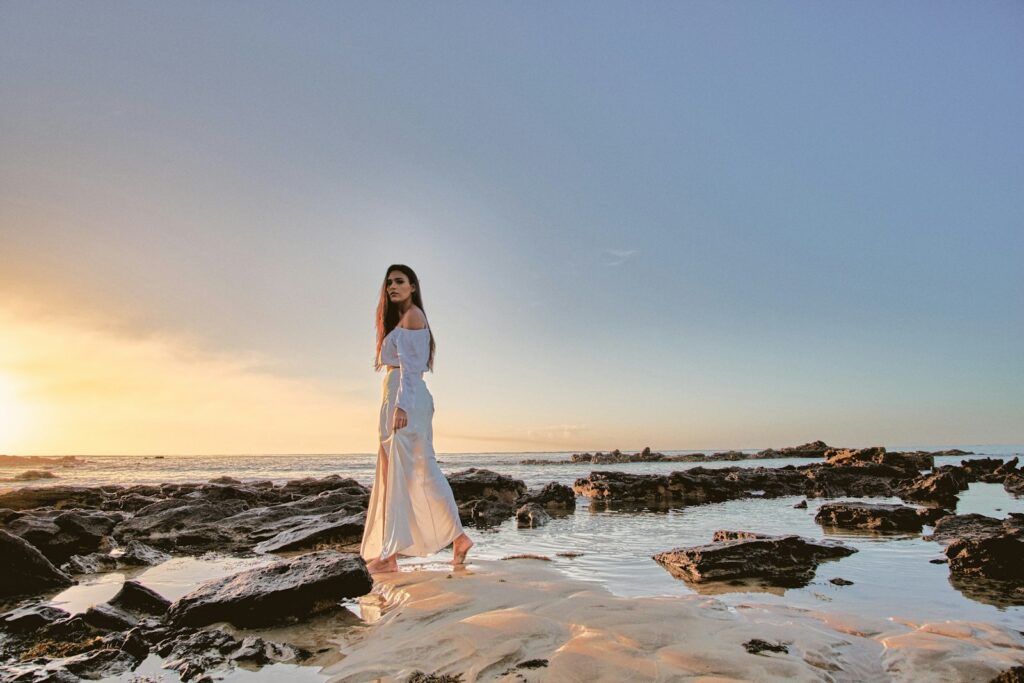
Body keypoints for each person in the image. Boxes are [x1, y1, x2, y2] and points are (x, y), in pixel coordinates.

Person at [360, 264, 474, 575]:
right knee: (403, 470)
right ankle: (455, 538)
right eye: (389, 283)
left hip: (404, 398)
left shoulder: (412, 317)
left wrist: (402, 407)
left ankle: (392, 554)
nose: (392, 287)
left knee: (412, 469)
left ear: (413, 286)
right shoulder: (401, 320)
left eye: (399, 281)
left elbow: (411, 370)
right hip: (397, 396)